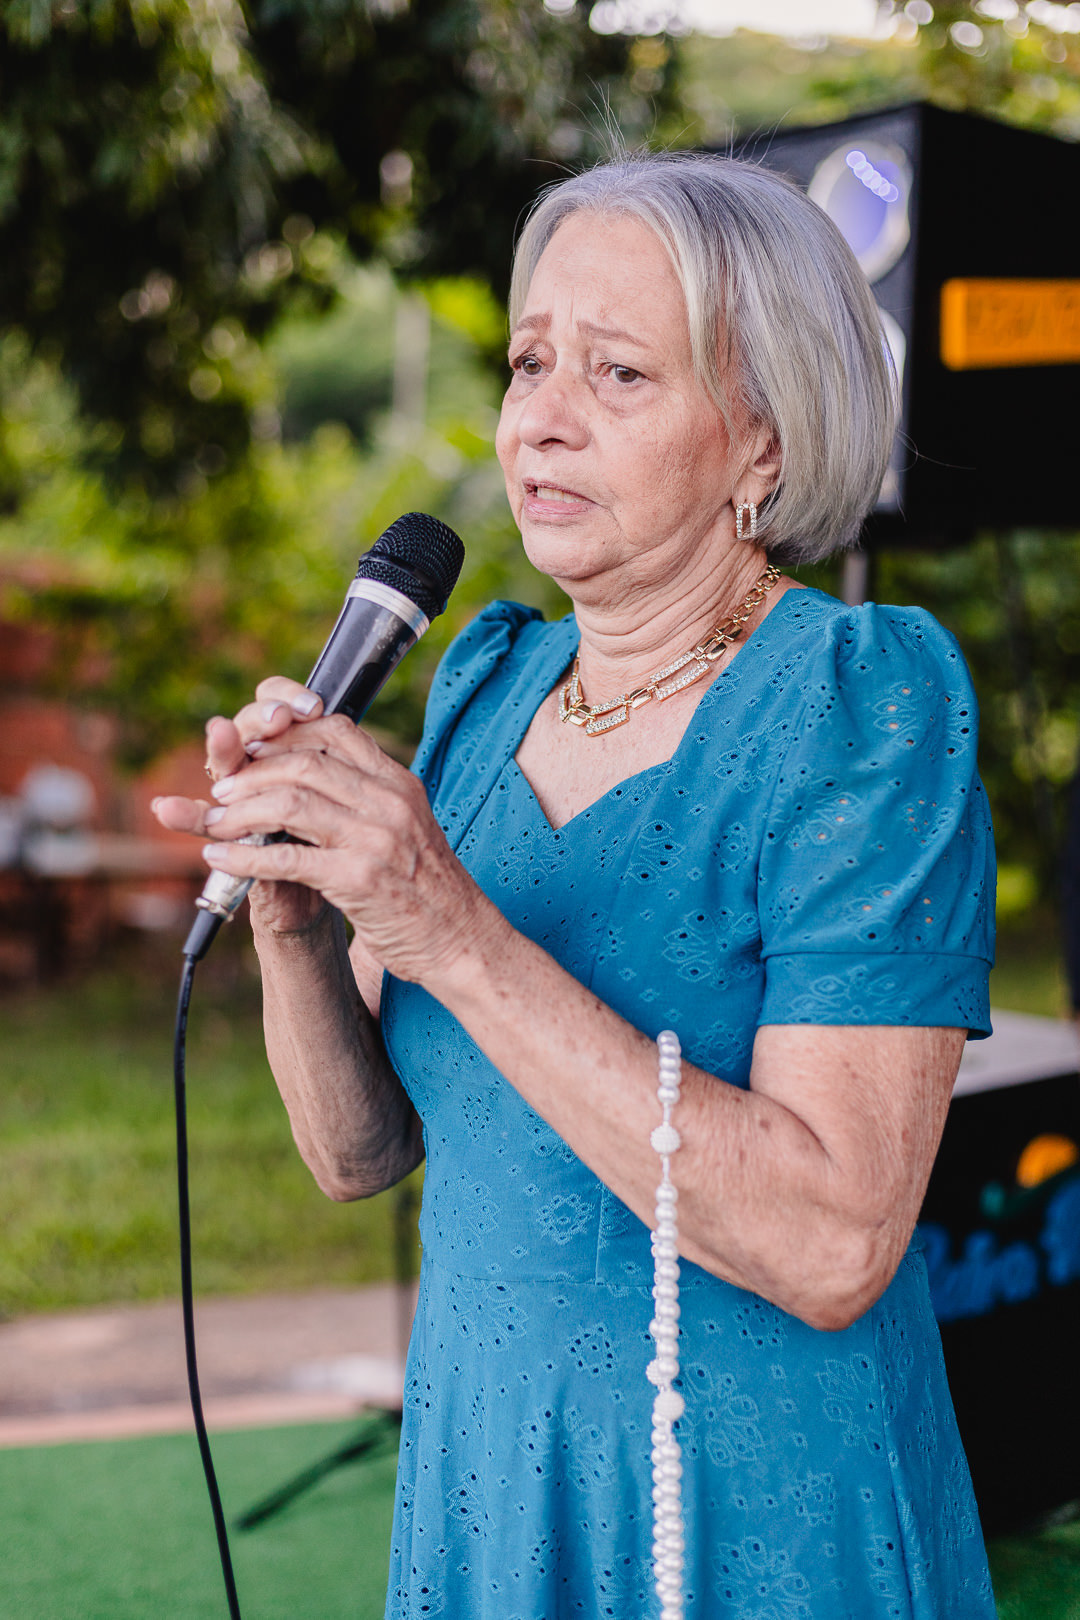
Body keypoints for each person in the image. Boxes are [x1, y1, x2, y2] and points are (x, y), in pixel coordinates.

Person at [154, 153, 997, 1618]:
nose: (541, 417)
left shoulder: (861, 707)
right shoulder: (486, 684)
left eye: (618, 374)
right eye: (532, 361)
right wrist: (295, 924)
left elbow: (834, 1240)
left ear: (764, 444)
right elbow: (361, 1156)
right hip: (494, 1476)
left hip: (754, 1509)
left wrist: (449, 927)